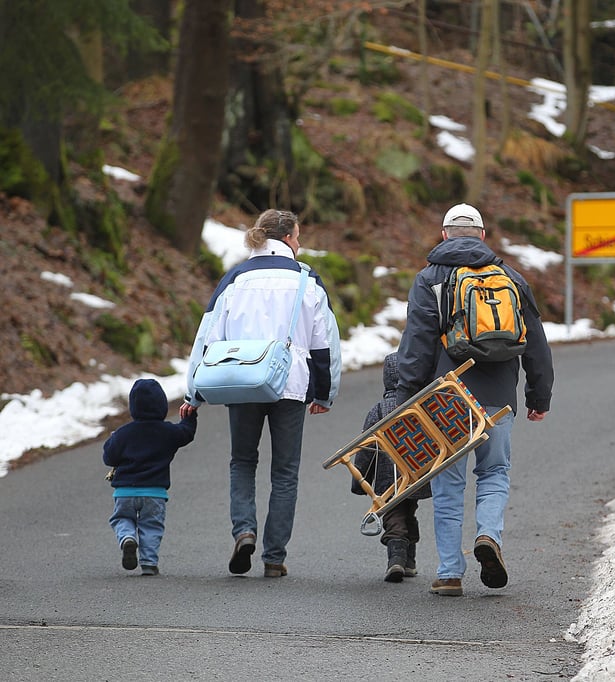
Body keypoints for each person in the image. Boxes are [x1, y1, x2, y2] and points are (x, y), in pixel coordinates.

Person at [394, 202, 553, 597]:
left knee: (448, 484)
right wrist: (539, 394)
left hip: (446, 397)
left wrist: (404, 398)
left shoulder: (429, 279)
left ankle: (449, 572)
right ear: (482, 235)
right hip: (498, 398)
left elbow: (415, 347)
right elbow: (536, 343)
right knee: (494, 473)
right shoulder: (510, 277)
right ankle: (487, 535)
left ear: (444, 234)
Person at [181, 209, 342, 579]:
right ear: (287, 238)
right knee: (285, 472)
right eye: (298, 237)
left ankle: (244, 531)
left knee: (242, 462)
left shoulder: (235, 279)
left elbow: (208, 337)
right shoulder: (307, 281)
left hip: (241, 381)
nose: (299, 244)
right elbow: (324, 343)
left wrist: (195, 393)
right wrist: (324, 393)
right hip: (291, 384)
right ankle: (274, 557)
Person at [104, 378, 198, 576]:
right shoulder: (168, 432)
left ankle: (127, 538)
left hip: (125, 492)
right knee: (152, 526)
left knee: (122, 518)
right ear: (162, 405)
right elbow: (186, 433)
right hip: (155, 493)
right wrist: (189, 416)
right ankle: (149, 562)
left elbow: (109, 457)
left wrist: (112, 440)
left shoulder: (123, 434)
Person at [351, 351, 431, 583]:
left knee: (393, 513)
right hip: (417, 472)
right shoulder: (421, 405)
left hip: (387, 478)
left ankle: (395, 558)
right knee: (409, 510)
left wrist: (360, 480)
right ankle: (409, 561)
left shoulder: (378, 410)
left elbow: (365, 448)